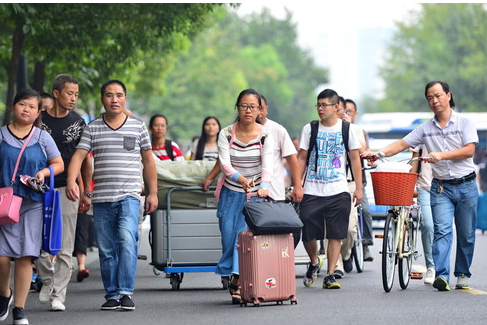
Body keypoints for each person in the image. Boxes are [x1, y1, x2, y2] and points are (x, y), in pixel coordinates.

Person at [363, 81, 478, 292]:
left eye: (438, 96)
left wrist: (441, 155)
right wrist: (378, 153)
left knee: (466, 234)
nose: (434, 101)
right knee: (441, 230)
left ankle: (462, 273)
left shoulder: (465, 123)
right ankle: (442, 275)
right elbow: (401, 144)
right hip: (440, 188)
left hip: (466, 185)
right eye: (430, 98)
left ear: (448, 96)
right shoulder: (425, 129)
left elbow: (469, 150)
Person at [66, 79, 158, 310]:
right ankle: (112, 294)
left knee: (127, 240)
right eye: (109, 95)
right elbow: (78, 156)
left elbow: (148, 160)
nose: (114, 99)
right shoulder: (93, 127)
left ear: (125, 98)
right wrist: (72, 183)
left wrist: (153, 192)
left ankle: (126, 291)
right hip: (102, 199)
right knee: (107, 250)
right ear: (102, 100)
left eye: (119, 95)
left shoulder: (137, 126)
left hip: (129, 196)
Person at [0, 89, 64, 325]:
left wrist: (45, 172)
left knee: (26, 256)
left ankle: (20, 309)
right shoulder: (1, 135)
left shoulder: (42, 137)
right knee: (2, 256)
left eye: (31, 107)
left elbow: (58, 163)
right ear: (14, 106)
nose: (26, 109)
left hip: (33, 203)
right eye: (22, 104)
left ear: (38, 112)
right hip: (5, 204)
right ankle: (4, 295)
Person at [36, 74, 92, 312]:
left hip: (68, 188)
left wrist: (86, 191)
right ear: (56, 93)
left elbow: (85, 160)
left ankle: (59, 294)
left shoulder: (78, 123)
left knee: (65, 245)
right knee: (36, 244)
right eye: (70, 93)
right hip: (38, 188)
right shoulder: (38, 121)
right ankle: (48, 280)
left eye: (76, 94)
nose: (73, 98)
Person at [296, 89, 362, 290]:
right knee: (307, 230)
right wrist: (297, 184)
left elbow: (354, 158)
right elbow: (301, 157)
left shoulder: (347, 129)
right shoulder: (310, 128)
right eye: (318, 104)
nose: (320, 109)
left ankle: (331, 274)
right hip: (312, 190)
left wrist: (358, 188)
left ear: (336, 107)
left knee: (335, 234)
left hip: (339, 188)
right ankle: (314, 262)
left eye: (324, 105)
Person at [213, 88, 273, 304]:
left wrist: (264, 185)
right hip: (231, 193)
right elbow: (225, 164)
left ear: (259, 109)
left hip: (254, 195)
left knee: (242, 239)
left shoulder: (266, 135)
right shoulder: (226, 133)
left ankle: (238, 281)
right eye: (244, 106)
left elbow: (268, 165)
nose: (248, 110)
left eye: (252, 107)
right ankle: (233, 274)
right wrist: (241, 179)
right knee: (229, 239)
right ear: (237, 107)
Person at [331, 96, 367, 278]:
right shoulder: (322, 129)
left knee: (350, 228)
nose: (338, 114)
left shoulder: (354, 129)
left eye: (342, 111)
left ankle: (346, 254)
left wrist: (348, 129)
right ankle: (335, 265)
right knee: (329, 228)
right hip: (328, 183)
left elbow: (362, 152)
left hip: (349, 182)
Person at [345, 98, 374, 262]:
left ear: (355, 114)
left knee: (365, 210)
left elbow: (364, 151)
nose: (346, 114)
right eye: (344, 111)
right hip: (340, 181)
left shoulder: (358, 130)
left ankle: (366, 244)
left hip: (358, 180)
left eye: (349, 111)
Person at [410, 145, 435, 285]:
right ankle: (431, 267)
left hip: (446, 187)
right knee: (428, 225)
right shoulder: (421, 137)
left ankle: (442, 268)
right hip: (424, 188)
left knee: (442, 229)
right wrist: (411, 187)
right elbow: (414, 165)